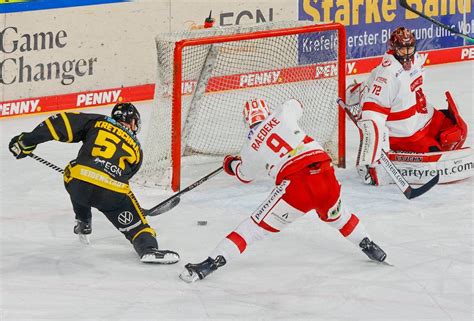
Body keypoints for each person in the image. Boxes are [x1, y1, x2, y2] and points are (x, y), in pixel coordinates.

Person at [179, 98, 387, 283]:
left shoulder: (250, 145)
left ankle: (210, 264)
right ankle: (368, 243)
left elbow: (244, 175)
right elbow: (298, 103)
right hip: (325, 172)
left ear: (247, 121)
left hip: (297, 184)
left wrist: (230, 163)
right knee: (338, 216)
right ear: (267, 111)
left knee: (253, 228)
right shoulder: (282, 112)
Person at [8, 102, 180, 264]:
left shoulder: (98, 121)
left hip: (78, 181)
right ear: (134, 122)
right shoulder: (137, 149)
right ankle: (148, 249)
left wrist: (27, 141)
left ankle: (83, 221)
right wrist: (132, 209)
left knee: (75, 174)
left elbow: (60, 123)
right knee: (138, 227)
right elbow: (124, 180)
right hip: (112, 191)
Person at [346, 26, 468, 185]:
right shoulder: (388, 75)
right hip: (406, 133)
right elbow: (372, 116)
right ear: (394, 49)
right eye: (403, 50)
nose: (408, 54)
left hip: (424, 117)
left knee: (458, 130)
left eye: (410, 48)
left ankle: (358, 90)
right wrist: (371, 158)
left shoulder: (415, 58)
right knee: (435, 154)